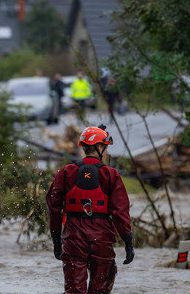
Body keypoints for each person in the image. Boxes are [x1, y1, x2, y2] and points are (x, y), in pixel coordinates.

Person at [46, 125, 134, 294]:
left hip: (73, 238)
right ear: (99, 148)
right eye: (106, 148)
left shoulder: (66, 172)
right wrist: (128, 241)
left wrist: (56, 239)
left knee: (74, 291)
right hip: (101, 239)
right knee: (99, 290)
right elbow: (120, 211)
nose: (106, 152)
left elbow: (53, 206)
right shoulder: (111, 174)